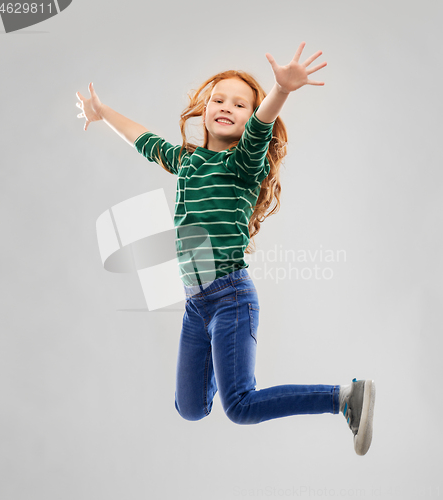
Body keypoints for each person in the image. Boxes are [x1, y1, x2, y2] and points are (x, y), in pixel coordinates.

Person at [76, 42, 376, 456]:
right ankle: (227, 363)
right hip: (196, 305)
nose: (226, 107)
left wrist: (281, 90)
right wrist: (102, 111)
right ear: (203, 109)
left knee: (239, 406)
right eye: (218, 99)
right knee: (191, 408)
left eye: (240, 104)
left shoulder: (242, 163)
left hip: (231, 296)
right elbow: (141, 139)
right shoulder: (187, 161)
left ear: (249, 118)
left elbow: (261, 127)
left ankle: (342, 397)